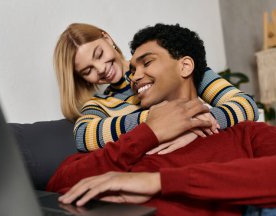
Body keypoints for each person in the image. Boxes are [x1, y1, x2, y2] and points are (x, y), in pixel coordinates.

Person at [48, 24, 276, 216]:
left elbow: (245, 105)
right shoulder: (107, 113)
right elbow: (74, 154)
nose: (134, 76)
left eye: (146, 63)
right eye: (87, 71)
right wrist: (152, 127)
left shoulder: (240, 130)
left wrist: (189, 119)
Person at [54, 23, 259, 153]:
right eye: (87, 70)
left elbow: (245, 104)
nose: (100, 69)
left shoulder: (171, 66)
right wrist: (155, 120)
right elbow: (83, 136)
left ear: (107, 38)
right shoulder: (101, 104)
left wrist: (195, 124)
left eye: (98, 54)